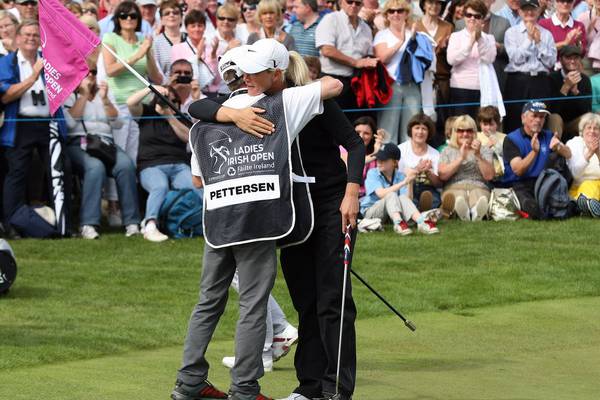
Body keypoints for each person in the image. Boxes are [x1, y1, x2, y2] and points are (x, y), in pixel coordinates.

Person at [187, 40, 365, 400]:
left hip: (332, 203)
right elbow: (199, 105)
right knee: (305, 300)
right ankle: (310, 385)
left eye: (254, 72)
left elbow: (355, 144)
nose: (246, 78)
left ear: (275, 73)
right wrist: (233, 115)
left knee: (333, 300)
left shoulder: (305, 98)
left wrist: (352, 192)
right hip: (293, 211)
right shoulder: (251, 103)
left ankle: (336, 389)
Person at [0, 20, 71, 235]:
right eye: (27, 35)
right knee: (16, 173)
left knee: (60, 169)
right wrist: (32, 77)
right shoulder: (8, 63)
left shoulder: (48, 62)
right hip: (20, 125)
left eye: (35, 35)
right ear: (18, 39)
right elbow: (6, 95)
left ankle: (64, 224)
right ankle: (12, 223)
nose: (31, 38)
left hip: (48, 124)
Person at [64, 68, 141, 239]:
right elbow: (69, 123)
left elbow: (118, 123)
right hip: (79, 142)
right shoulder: (68, 93)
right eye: (85, 72)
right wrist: (83, 94)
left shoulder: (104, 93)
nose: (90, 75)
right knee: (95, 167)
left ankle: (132, 222)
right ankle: (88, 224)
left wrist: (105, 99)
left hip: (105, 144)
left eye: (93, 72)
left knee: (126, 165)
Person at [127, 85, 200, 242]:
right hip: (151, 165)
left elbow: (189, 138)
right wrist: (151, 89)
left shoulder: (180, 117)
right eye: (166, 100)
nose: (170, 103)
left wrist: (169, 116)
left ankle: (209, 222)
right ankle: (150, 225)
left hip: (179, 165)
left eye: (174, 101)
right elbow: (131, 102)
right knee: (159, 186)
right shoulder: (146, 114)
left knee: (195, 186)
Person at [102, 0, 163, 164]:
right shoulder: (110, 38)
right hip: (121, 104)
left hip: (144, 105)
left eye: (133, 15)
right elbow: (111, 70)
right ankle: (115, 190)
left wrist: (148, 53)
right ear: (118, 19)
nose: (128, 18)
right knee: (122, 153)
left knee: (142, 153)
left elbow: (157, 78)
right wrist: (138, 54)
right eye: (124, 15)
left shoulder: (144, 39)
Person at [502, 101, 572, 219]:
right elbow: (518, 170)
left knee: (561, 206)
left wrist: (559, 147)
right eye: (534, 116)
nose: (538, 120)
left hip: (543, 183)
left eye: (542, 117)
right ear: (523, 118)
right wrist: (534, 152)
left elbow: (569, 154)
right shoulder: (511, 139)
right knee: (534, 209)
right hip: (520, 184)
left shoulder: (548, 135)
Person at [374, 0, 426, 145]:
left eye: (400, 10)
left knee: (411, 129)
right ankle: (385, 165)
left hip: (412, 84)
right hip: (391, 85)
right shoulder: (382, 35)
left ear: (406, 13)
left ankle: (409, 166)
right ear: (386, 15)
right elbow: (383, 57)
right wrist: (401, 41)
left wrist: (415, 38)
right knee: (387, 130)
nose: (396, 14)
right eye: (391, 11)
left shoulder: (414, 34)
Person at [361, 143, 440, 234]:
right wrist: (404, 182)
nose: (379, 161)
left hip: (390, 213)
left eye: (383, 159)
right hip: (370, 213)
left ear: (395, 162)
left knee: (401, 197)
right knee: (391, 194)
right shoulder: (373, 173)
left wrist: (410, 181)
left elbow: (407, 200)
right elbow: (381, 194)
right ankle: (399, 223)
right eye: (378, 158)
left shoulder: (400, 175)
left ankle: (421, 221)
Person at [503, 0, 557, 134]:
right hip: (518, 81)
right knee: (515, 118)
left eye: (532, 9)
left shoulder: (546, 34)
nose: (529, 12)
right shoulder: (511, 32)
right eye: (525, 9)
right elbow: (515, 58)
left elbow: (551, 62)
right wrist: (528, 39)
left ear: (538, 11)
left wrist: (539, 43)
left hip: (540, 81)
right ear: (519, 11)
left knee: (540, 119)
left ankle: (540, 150)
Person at [315, 0, 377, 111]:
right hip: (331, 78)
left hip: (355, 84)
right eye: (349, 1)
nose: (353, 5)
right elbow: (327, 50)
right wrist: (356, 62)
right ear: (340, 2)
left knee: (352, 123)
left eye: (357, 3)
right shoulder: (330, 19)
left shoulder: (366, 28)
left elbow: (369, 55)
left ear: (362, 5)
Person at [446, 0, 497, 119]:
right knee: (461, 126)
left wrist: (479, 40)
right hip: (460, 88)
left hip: (483, 89)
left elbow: (489, 58)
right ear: (464, 17)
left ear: (483, 19)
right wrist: (470, 43)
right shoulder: (456, 36)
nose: (472, 19)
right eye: (469, 15)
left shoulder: (489, 38)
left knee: (480, 128)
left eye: (477, 16)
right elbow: (452, 60)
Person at [438, 115, 494, 220]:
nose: (465, 134)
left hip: (478, 187)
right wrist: (460, 158)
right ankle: (466, 212)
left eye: (469, 131)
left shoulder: (484, 150)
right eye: (461, 131)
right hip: (454, 187)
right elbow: (443, 175)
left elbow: (489, 176)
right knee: (459, 196)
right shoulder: (447, 150)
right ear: (455, 132)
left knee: (478, 195)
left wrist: (478, 155)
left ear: (474, 132)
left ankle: (475, 211)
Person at [454, 0, 511, 95]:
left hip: (494, 78)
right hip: (467, 80)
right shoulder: (460, 24)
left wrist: (499, 47)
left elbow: (511, 51)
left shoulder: (503, 23)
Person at [415, 0, 453, 137]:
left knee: (440, 118)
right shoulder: (415, 25)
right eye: (430, 2)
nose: (434, 6)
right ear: (423, 5)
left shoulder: (448, 27)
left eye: (438, 3)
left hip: (442, 78)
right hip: (420, 79)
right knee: (419, 118)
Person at [547, 45, 592, 142]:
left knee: (593, 118)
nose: (572, 61)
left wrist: (576, 92)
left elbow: (587, 110)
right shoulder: (551, 78)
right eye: (568, 58)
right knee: (555, 118)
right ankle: (554, 151)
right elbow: (551, 110)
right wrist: (565, 88)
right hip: (557, 121)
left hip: (575, 122)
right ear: (561, 59)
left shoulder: (585, 80)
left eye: (576, 58)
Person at [398, 113, 443, 211]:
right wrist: (417, 169)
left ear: (429, 132)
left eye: (424, 129)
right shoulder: (401, 149)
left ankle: (421, 208)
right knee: (407, 199)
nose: (420, 132)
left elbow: (438, 184)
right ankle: (421, 209)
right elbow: (397, 177)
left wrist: (428, 172)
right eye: (417, 128)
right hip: (407, 186)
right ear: (411, 130)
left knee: (435, 199)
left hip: (427, 187)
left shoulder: (435, 153)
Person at [566, 112, 600, 216]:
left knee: (588, 187)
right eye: (588, 128)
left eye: (596, 128)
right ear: (582, 130)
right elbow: (574, 174)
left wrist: (598, 154)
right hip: (575, 185)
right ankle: (585, 207)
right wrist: (588, 155)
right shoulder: (574, 143)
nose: (592, 131)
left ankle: (585, 206)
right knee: (575, 197)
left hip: (596, 184)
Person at [340, 116, 383, 197]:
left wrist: (381, 147)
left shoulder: (375, 153)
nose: (361, 136)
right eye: (357, 132)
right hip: (347, 197)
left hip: (369, 198)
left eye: (366, 133)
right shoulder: (343, 149)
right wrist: (375, 154)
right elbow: (352, 161)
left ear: (373, 136)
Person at [153, 0, 186, 79]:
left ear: (181, 17)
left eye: (175, 13)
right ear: (161, 19)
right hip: (167, 88)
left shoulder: (190, 39)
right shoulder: (156, 43)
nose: (171, 15)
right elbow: (156, 71)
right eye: (167, 13)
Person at [476, 105, 506, 183]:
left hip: (502, 176)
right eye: (485, 124)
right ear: (480, 124)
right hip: (482, 176)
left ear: (498, 124)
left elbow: (507, 155)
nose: (488, 128)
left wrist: (498, 145)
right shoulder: (476, 137)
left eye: (491, 124)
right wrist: (487, 147)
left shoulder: (504, 137)